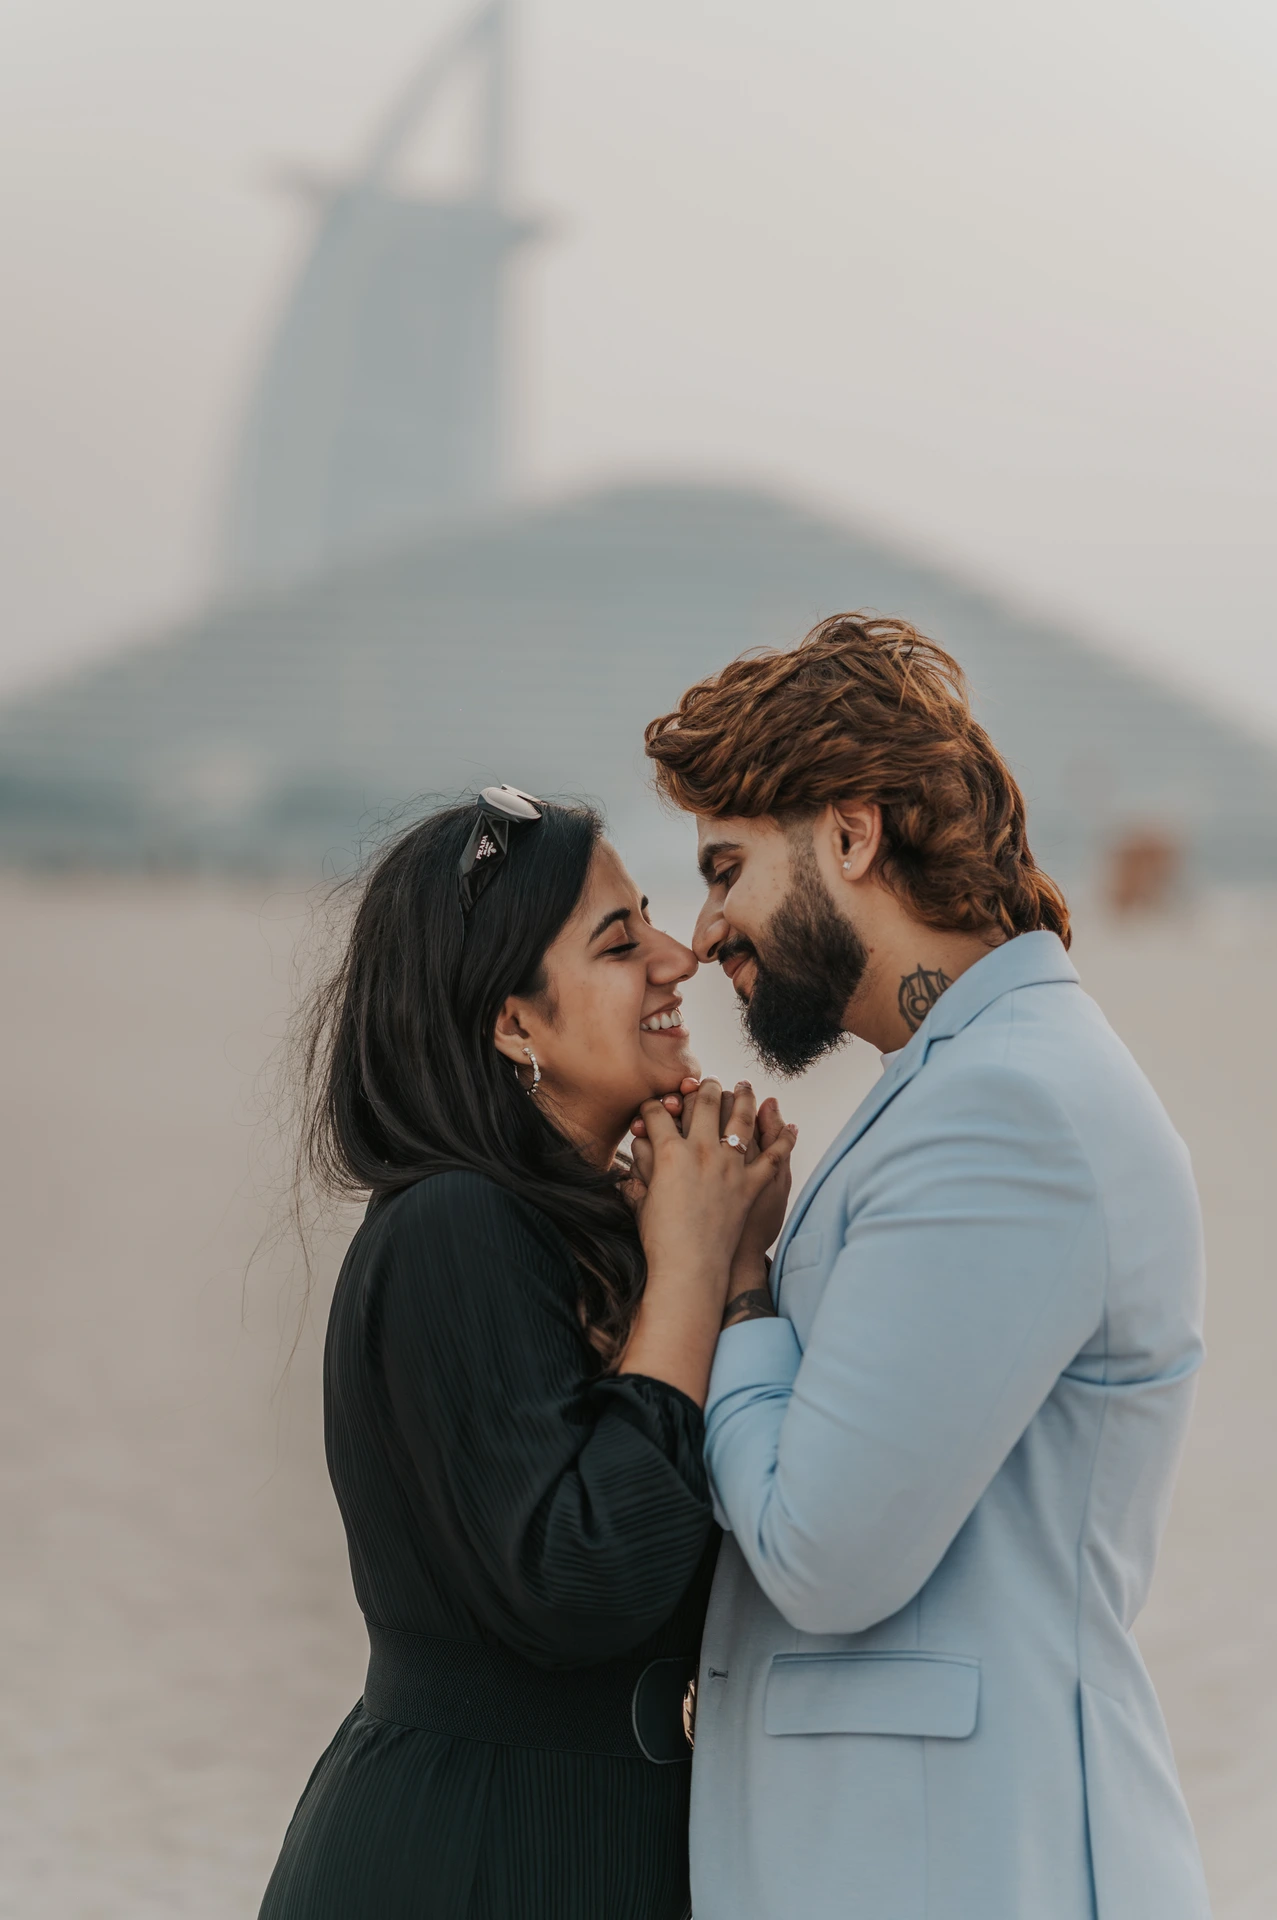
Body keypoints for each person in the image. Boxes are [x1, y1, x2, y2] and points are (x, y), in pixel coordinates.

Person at [641, 616, 1211, 1920]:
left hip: (971, 1864)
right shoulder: (967, 1081)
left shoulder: (1011, 1110)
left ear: (850, 834)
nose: (707, 927)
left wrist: (733, 1289)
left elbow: (824, 1550)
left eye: (728, 867)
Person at [257, 787, 796, 1920]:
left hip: (600, 1839)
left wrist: (729, 1262)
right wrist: (693, 1271)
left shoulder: (599, 1234)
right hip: (473, 1857)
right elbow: (580, 1574)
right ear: (513, 1025)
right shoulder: (452, 1227)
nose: (673, 959)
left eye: (651, 915)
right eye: (618, 941)